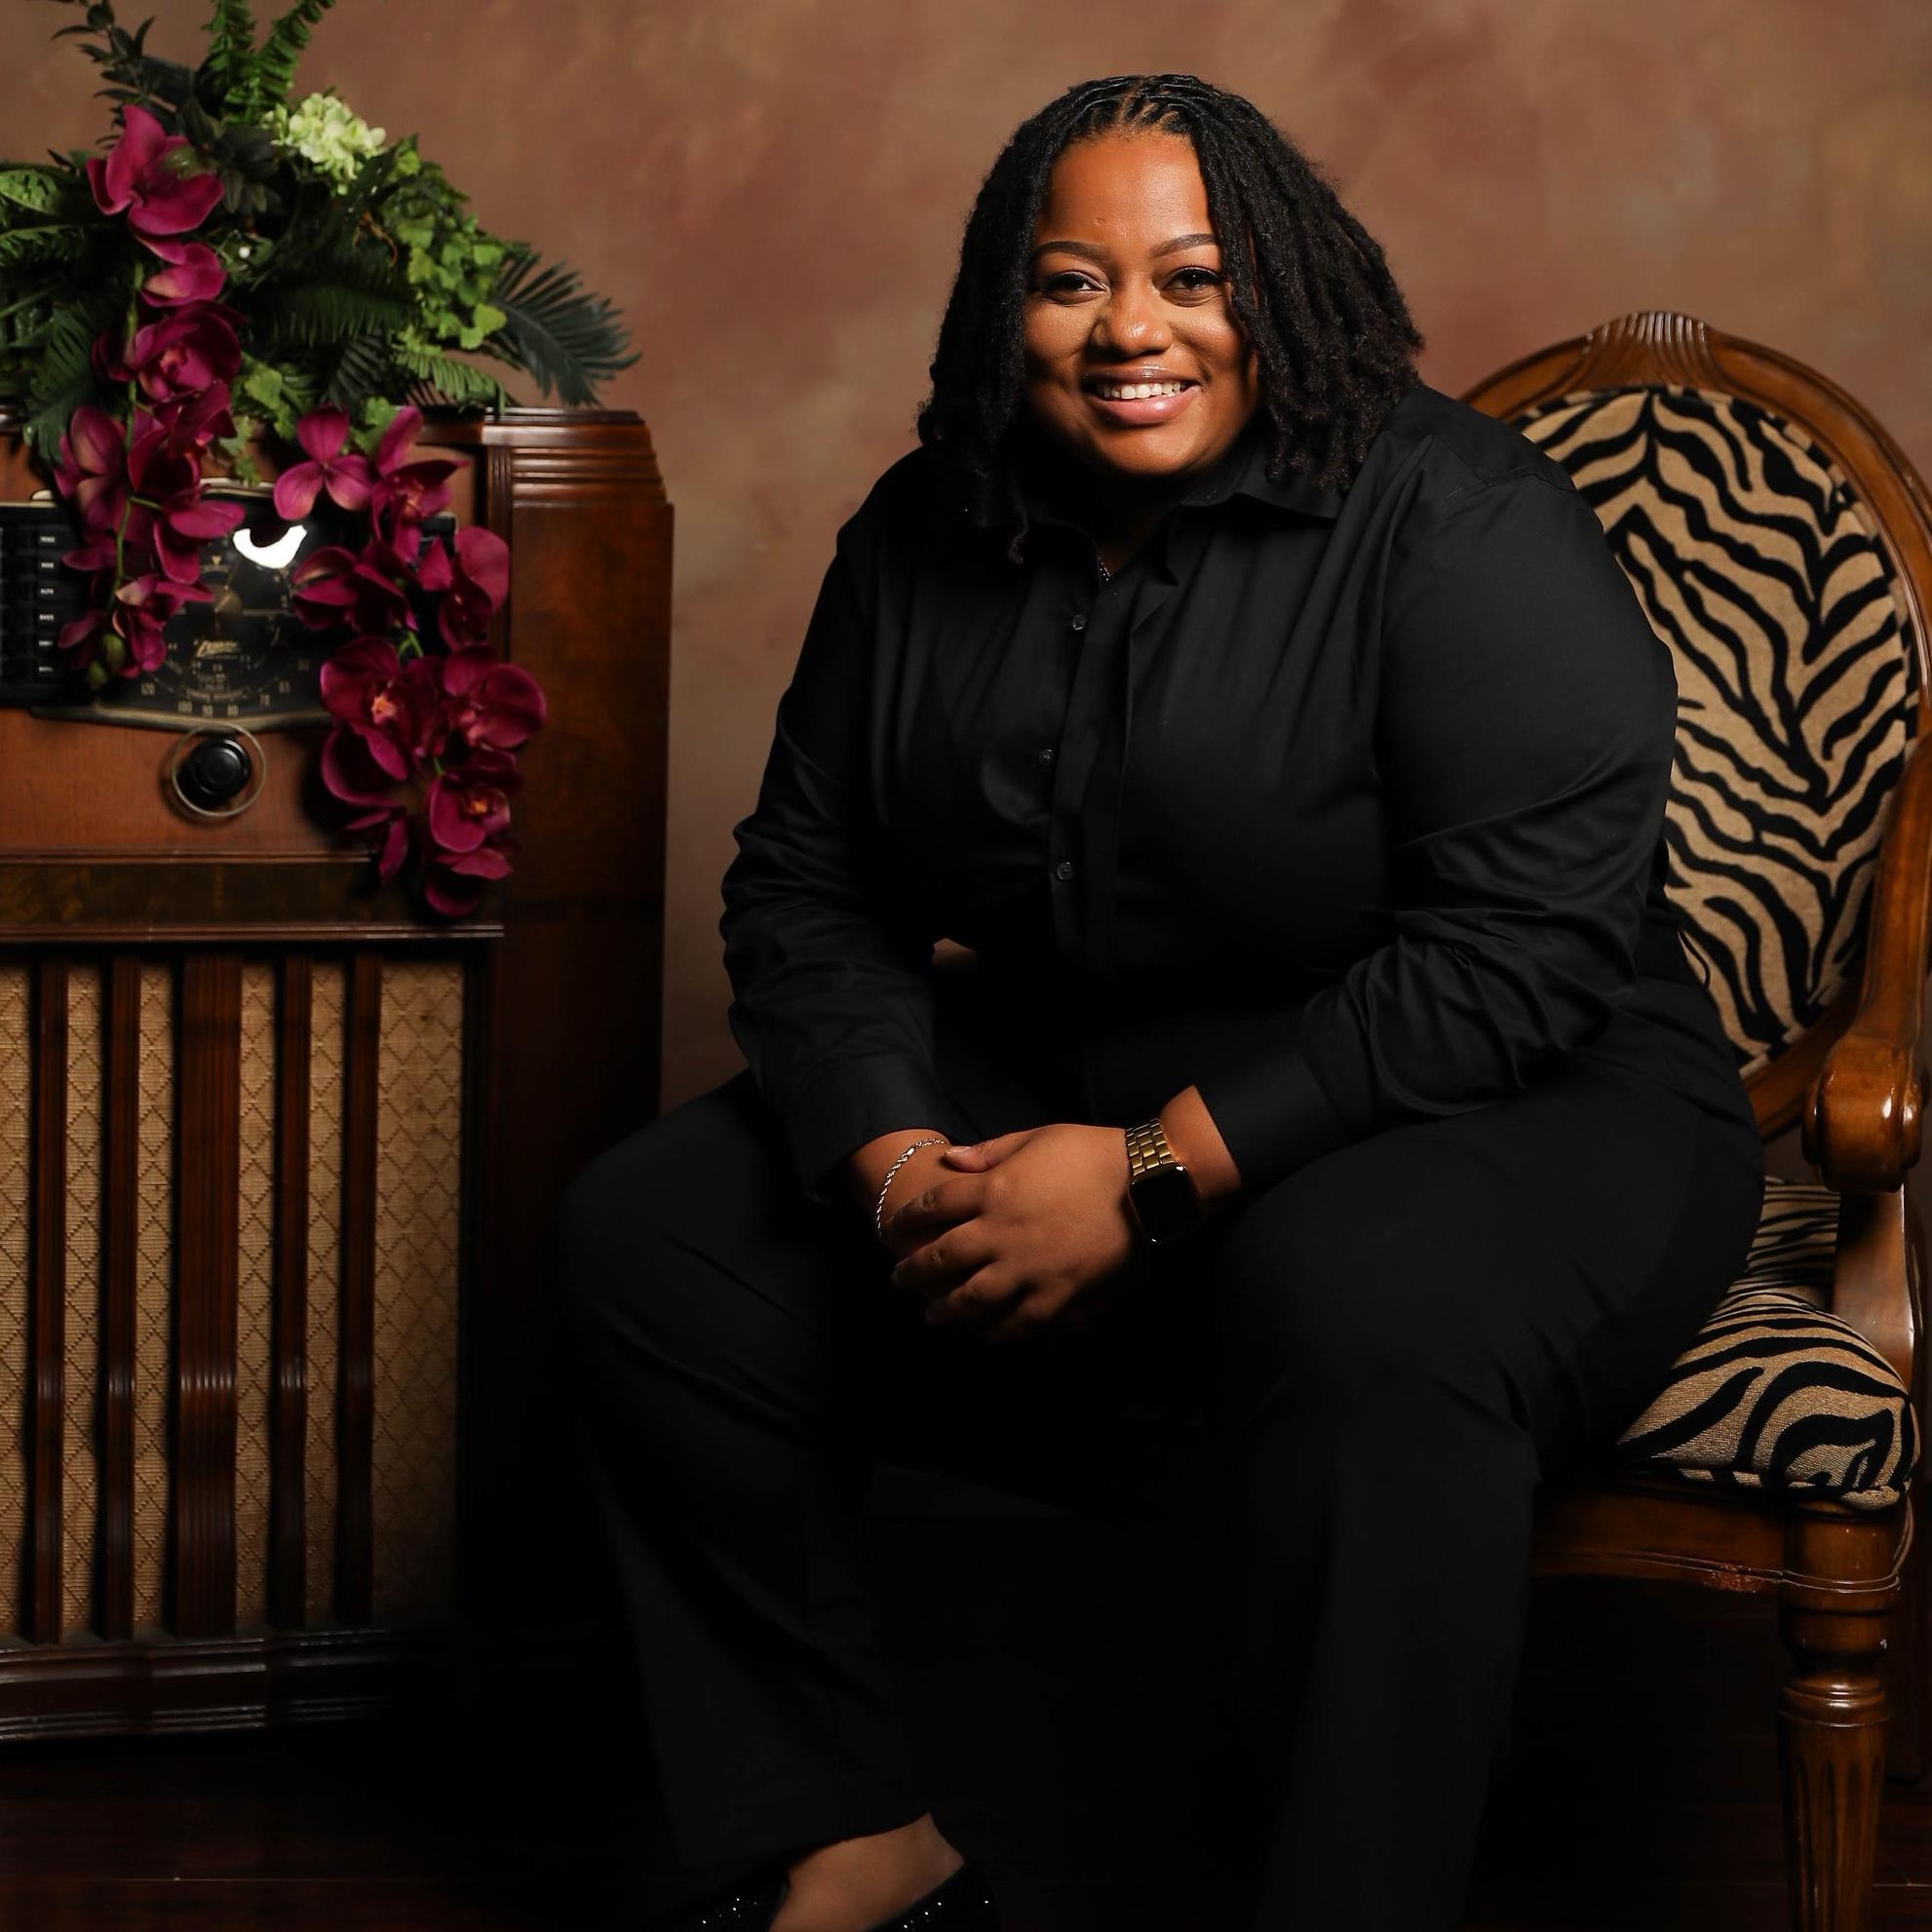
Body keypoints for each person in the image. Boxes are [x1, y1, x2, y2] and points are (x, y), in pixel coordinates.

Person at [545, 72, 1766, 1932]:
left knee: (1362, 1304)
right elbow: (807, 885)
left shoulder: (1457, 517)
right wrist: (894, 1162)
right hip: (1085, 1060)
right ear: (1004, 302)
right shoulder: (922, 529)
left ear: (1286, 287)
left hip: (1515, 1092)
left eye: (1195, 277)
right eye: (1072, 282)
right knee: (656, 1241)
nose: (1134, 331)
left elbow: (1519, 952)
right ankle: (854, 1842)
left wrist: (1143, 1173)